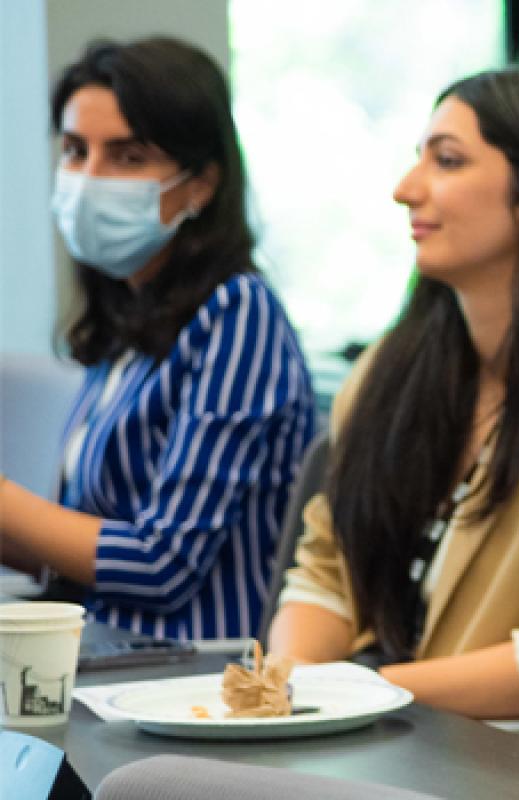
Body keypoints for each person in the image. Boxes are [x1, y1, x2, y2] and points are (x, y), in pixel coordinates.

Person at [266, 69, 519, 720]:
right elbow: (324, 572)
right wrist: (295, 692)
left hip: (495, 761)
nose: (405, 189)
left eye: (446, 161)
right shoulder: (394, 366)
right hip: (364, 729)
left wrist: (345, 697)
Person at [0, 37, 315, 640]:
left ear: (201, 184)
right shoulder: (130, 320)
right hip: (108, 662)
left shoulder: (236, 310)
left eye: (127, 156)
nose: (89, 179)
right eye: (74, 151)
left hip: (192, 675)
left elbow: (161, 565)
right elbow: (82, 552)